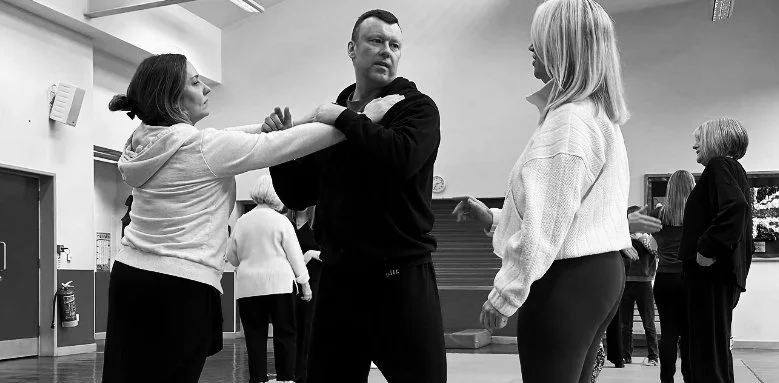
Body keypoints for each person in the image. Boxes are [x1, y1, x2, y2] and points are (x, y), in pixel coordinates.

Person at [101, 53, 344, 383]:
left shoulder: (146, 143)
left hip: (129, 277)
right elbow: (283, 145)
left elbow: (240, 136)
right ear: (173, 97)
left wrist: (295, 121)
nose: (206, 89)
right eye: (196, 82)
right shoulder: (203, 148)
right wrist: (353, 121)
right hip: (179, 287)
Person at [454, 0, 631, 381]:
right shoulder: (594, 114)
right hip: (598, 274)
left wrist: (505, 294)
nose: (531, 48)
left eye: (539, 39)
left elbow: (546, 224)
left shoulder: (569, 120)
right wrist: (495, 218)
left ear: (561, 46)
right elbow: (568, 211)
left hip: (567, 279)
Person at [266, 9, 445, 382]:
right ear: (352, 48)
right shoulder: (332, 121)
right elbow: (298, 193)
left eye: (394, 45)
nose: (386, 51)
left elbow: (400, 158)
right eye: (376, 41)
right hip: (339, 280)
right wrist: (279, 149)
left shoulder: (416, 108)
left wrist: (344, 119)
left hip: (400, 279)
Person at [680, 117, 753, 383]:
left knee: (706, 351)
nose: (694, 145)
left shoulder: (720, 165)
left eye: (699, 138)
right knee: (712, 350)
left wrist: (707, 248)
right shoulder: (731, 169)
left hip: (709, 277)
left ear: (716, 139)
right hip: (716, 278)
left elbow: (735, 208)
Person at [226, 176, 312, 383]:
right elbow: (296, 257)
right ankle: (286, 378)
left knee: (255, 336)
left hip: (248, 288)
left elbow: (232, 257)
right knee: (285, 334)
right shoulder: (281, 221)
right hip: (280, 284)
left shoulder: (241, 221)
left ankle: (258, 379)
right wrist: (305, 285)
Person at [653, 170, 695, 383]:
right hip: (689, 279)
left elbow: (629, 226)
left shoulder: (657, 214)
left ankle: (666, 380)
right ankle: (689, 377)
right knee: (688, 334)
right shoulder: (697, 213)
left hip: (664, 279)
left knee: (668, 331)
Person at [620, 206, 660, 367]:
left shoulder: (647, 237)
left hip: (643, 283)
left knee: (648, 322)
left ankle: (653, 356)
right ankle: (625, 355)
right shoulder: (622, 239)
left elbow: (654, 249)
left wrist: (641, 235)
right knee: (625, 324)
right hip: (626, 282)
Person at [287, 205, 321, 383]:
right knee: (292, 328)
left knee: (308, 329)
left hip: (314, 282)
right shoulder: (286, 222)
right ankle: (292, 372)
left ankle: (305, 372)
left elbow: (333, 251)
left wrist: (311, 254)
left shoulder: (317, 223)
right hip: (289, 283)